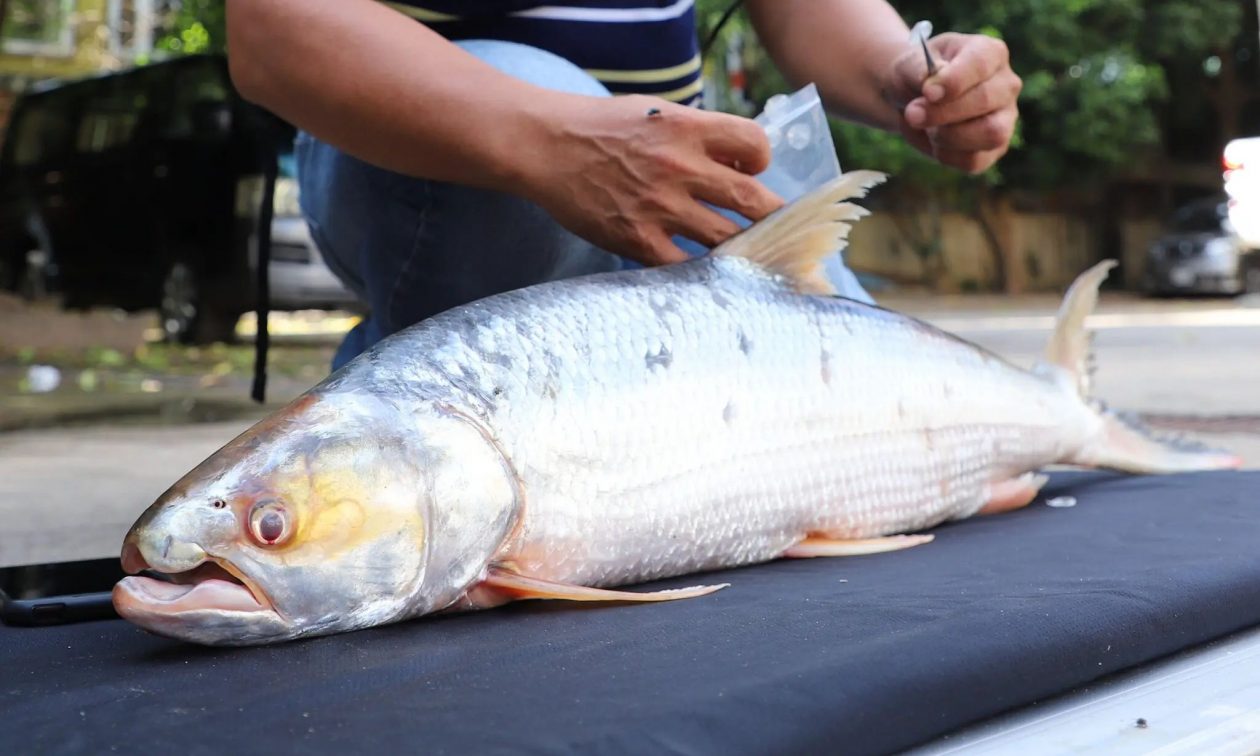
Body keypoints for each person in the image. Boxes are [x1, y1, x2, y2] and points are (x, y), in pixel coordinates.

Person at [225, 0, 1021, 369]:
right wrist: (555, 138)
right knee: (527, 95)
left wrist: (905, 74)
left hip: (683, 178)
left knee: (875, 403)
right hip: (452, 171)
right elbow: (271, 24)